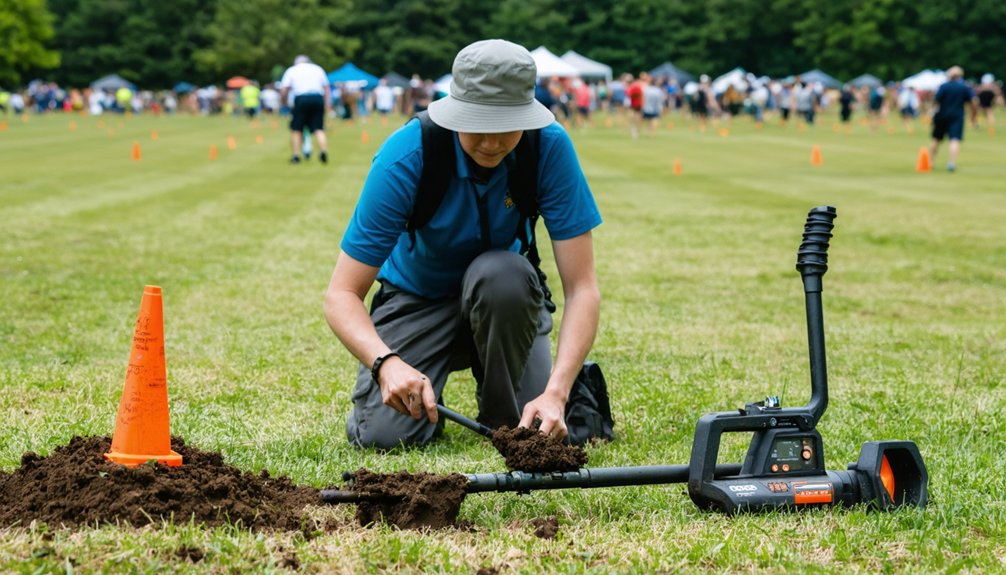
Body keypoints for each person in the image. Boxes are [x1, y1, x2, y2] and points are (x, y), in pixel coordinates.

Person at [324, 39, 602, 449]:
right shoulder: (408, 153)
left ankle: (501, 413)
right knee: (386, 437)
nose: (491, 143)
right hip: (416, 298)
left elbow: (583, 288)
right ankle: (419, 382)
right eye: (477, 125)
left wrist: (558, 391)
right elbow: (340, 294)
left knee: (533, 429)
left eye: (506, 126)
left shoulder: (548, 147)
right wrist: (386, 364)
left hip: (503, 301)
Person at [279, 55, 331, 164]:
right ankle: (323, 150)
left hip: (301, 98)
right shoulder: (318, 69)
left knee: (297, 129)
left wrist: (283, 103)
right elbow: (326, 87)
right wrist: (327, 103)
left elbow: (284, 89)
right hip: (317, 98)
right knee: (318, 128)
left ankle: (296, 155)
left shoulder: (292, 70)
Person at [929, 65, 978, 173]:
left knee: (936, 138)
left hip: (941, 115)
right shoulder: (964, 87)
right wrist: (973, 115)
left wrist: (931, 111)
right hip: (957, 116)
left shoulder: (944, 86)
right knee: (954, 139)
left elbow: (935, 100)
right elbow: (973, 101)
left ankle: (931, 161)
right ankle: (951, 163)